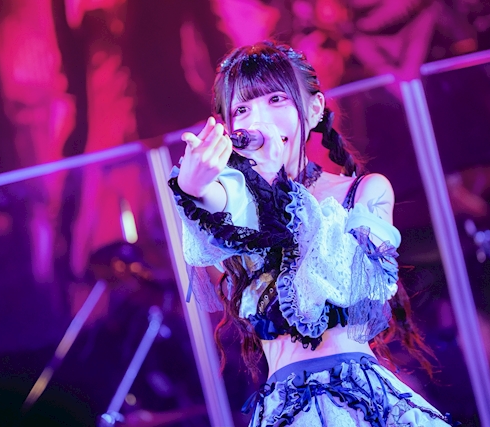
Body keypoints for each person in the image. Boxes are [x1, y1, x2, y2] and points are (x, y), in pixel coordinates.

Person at [168, 41, 452, 427]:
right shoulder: (238, 201)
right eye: (242, 109)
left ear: (315, 109)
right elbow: (214, 205)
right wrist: (192, 186)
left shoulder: (364, 192)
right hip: (287, 407)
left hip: (358, 400)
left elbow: (352, 282)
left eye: (276, 100)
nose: (259, 119)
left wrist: (275, 181)